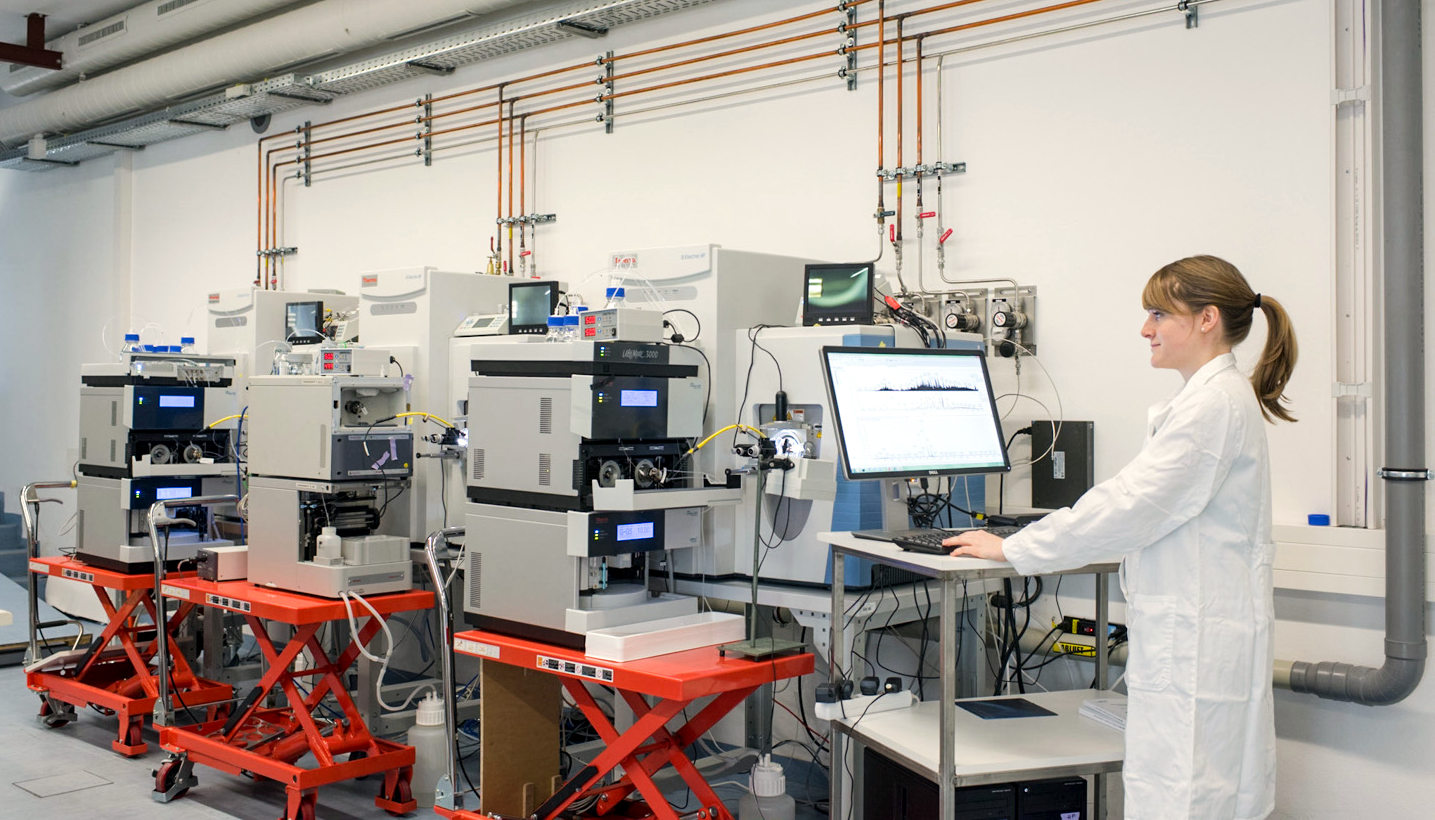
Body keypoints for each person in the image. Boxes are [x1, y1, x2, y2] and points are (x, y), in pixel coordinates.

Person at [944, 255, 1297, 820]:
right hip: (1197, 634)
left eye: (1159, 314)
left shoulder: (1213, 406)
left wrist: (1014, 548)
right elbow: (1140, 503)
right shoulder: (1211, 400)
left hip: (1197, 644)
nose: (1145, 329)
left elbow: (1130, 506)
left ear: (1207, 319)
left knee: (1185, 794)